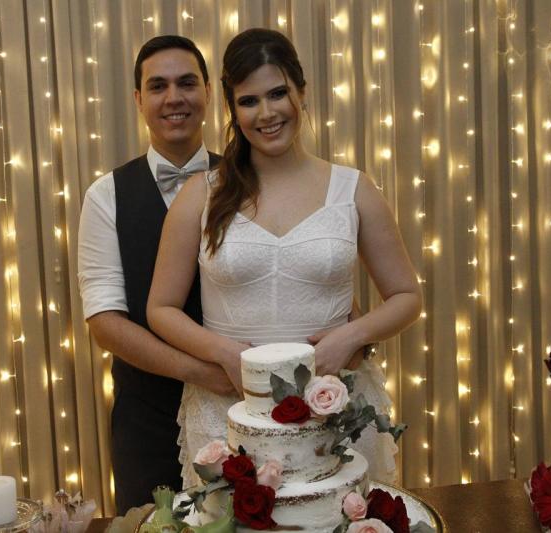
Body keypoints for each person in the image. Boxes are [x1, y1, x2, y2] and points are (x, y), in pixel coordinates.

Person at [147, 28, 422, 487]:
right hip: (228, 413)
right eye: (249, 101)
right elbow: (161, 308)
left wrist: (351, 336)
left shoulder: (353, 188)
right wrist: (224, 354)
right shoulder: (201, 194)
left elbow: (407, 296)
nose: (267, 113)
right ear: (233, 110)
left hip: (335, 408)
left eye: (278, 93)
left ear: (302, 92)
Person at [77, 35, 234, 512]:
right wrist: (203, 373)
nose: (174, 97)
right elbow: (105, 323)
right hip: (147, 422)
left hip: (241, 414)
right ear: (138, 99)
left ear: (208, 92)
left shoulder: (251, 183)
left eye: (187, 83)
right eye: (158, 86)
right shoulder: (106, 195)